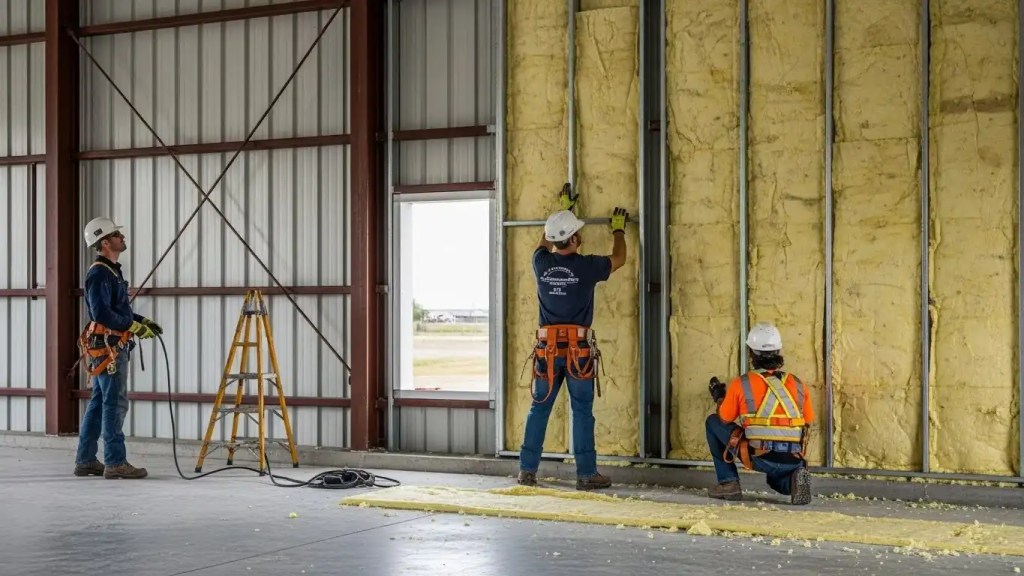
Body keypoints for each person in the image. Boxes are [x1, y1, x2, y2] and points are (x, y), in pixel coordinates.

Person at [517, 186, 629, 491]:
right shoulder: (587, 266)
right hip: (578, 351)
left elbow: (544, 240)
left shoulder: (540, 264)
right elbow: (619, 259)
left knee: (539, 408)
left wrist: (561, 209)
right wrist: (618, 230)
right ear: (576, 239)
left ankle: (527, 472)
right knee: (582, 411)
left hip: (548, 351)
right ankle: (586, 474)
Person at [73, 216, 162, 480]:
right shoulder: (99, 273)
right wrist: (132, 327)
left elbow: (117, 309)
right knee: (115, 403)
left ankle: (86, 460)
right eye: (116, 235)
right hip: (110, 348)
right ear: (104, 242)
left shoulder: (112, 270)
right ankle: (115, 462)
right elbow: (101, 314)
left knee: (100, 403)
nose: (122, 238)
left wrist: (140, 321)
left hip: (109, 345)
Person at [705, 322, 813, 505]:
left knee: (712, 422)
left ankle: (728, 483)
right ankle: (795, 480)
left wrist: (720, 398)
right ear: (779, 351)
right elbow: (808, 421)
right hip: (793, 459)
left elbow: (724, 419)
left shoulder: (743, 383)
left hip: (760, 457)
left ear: (751, 353)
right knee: (775, 480)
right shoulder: (798, 384)